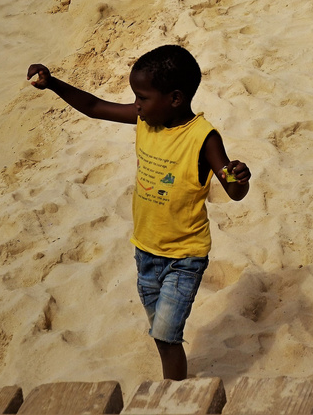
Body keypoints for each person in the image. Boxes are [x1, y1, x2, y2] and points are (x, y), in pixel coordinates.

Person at [26, 46, 249, 381]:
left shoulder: (204, 138)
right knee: (162, 337)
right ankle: (173, 383)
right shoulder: (146, 120)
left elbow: (233, 190)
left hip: (184, 258)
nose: (137, 105)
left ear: (174, 99)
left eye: (142, 98)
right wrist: (53, 82)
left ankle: (174, 392)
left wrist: (239, 176)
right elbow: (93, 107)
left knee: (165, 335)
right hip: (145, 253)